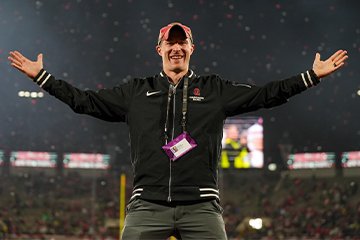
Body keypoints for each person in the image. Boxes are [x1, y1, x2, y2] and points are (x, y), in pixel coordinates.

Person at [8, 22, 348, 239]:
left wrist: (310, 76)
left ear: (190, 48)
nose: (175, 47)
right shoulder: (136, 92)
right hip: (147, 205)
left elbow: (264, 95)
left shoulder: (214, 89)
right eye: (169, 43)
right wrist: (43, 77)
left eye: (181, 42)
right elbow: (84, 102)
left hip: (201, 205)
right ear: (159, 49)